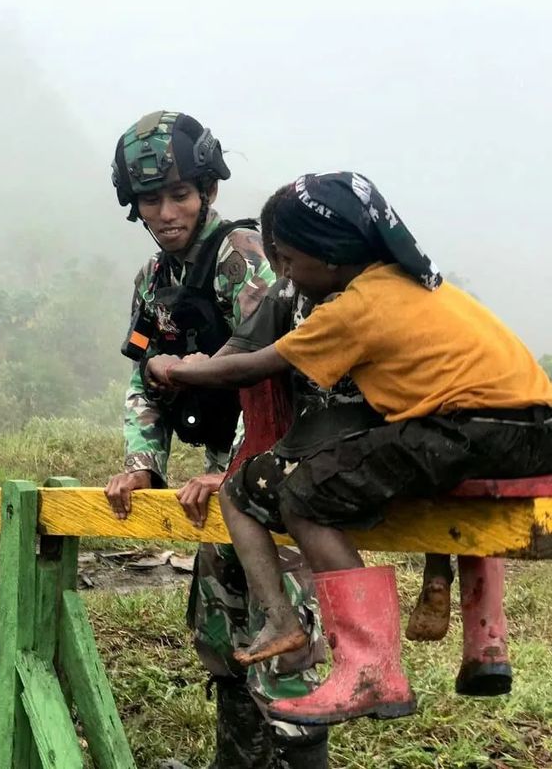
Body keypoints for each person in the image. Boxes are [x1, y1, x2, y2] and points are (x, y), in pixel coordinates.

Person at [148, 171, 552, 725]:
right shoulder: (420, 285)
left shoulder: (353, 307)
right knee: (403, 475)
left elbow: (257, 365)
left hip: (471, 428)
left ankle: (369, 669)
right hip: (532, 429)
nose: (283, 275)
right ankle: (483, 642)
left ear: (332, 255)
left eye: (288, 260)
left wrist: (180, 369)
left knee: (308, 493)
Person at [104, 111, 327, 768]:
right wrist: (142, 464)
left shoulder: (242, 258)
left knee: (283, 639)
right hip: (223, 472)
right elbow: (145, 379)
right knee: (223, 633)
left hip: (281, 467)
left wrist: (233, 471)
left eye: (180, 194)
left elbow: (267, 378)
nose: (167, 211)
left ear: (207, 191)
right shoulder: (152, 282)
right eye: (151, 199)